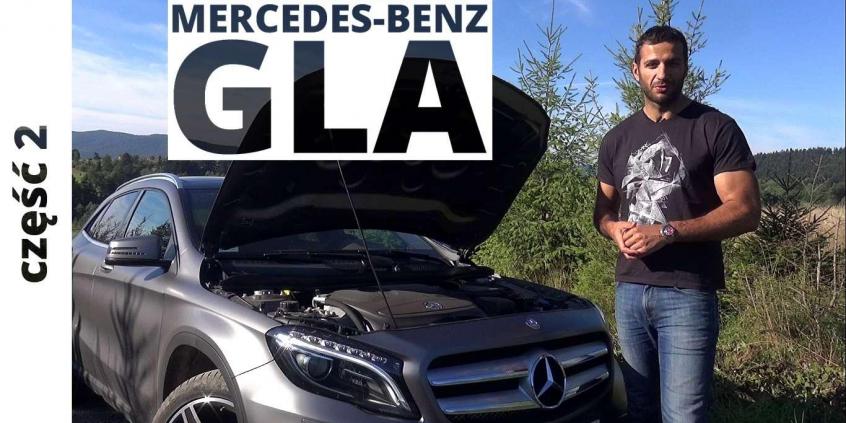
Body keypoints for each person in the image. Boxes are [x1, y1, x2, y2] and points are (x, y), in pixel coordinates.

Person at [593, 25, 760, 422]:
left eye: (672, 63)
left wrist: (668, 232)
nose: (662, 73)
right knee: (639, 408)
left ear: (685, 66)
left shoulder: (714, 127)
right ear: (635, 70)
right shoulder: (617, 139)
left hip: (688, 292)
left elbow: (745, 209)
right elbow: (602, 212)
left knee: (684, 414)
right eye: (652, 64)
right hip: (630, 291)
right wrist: (614, 230)